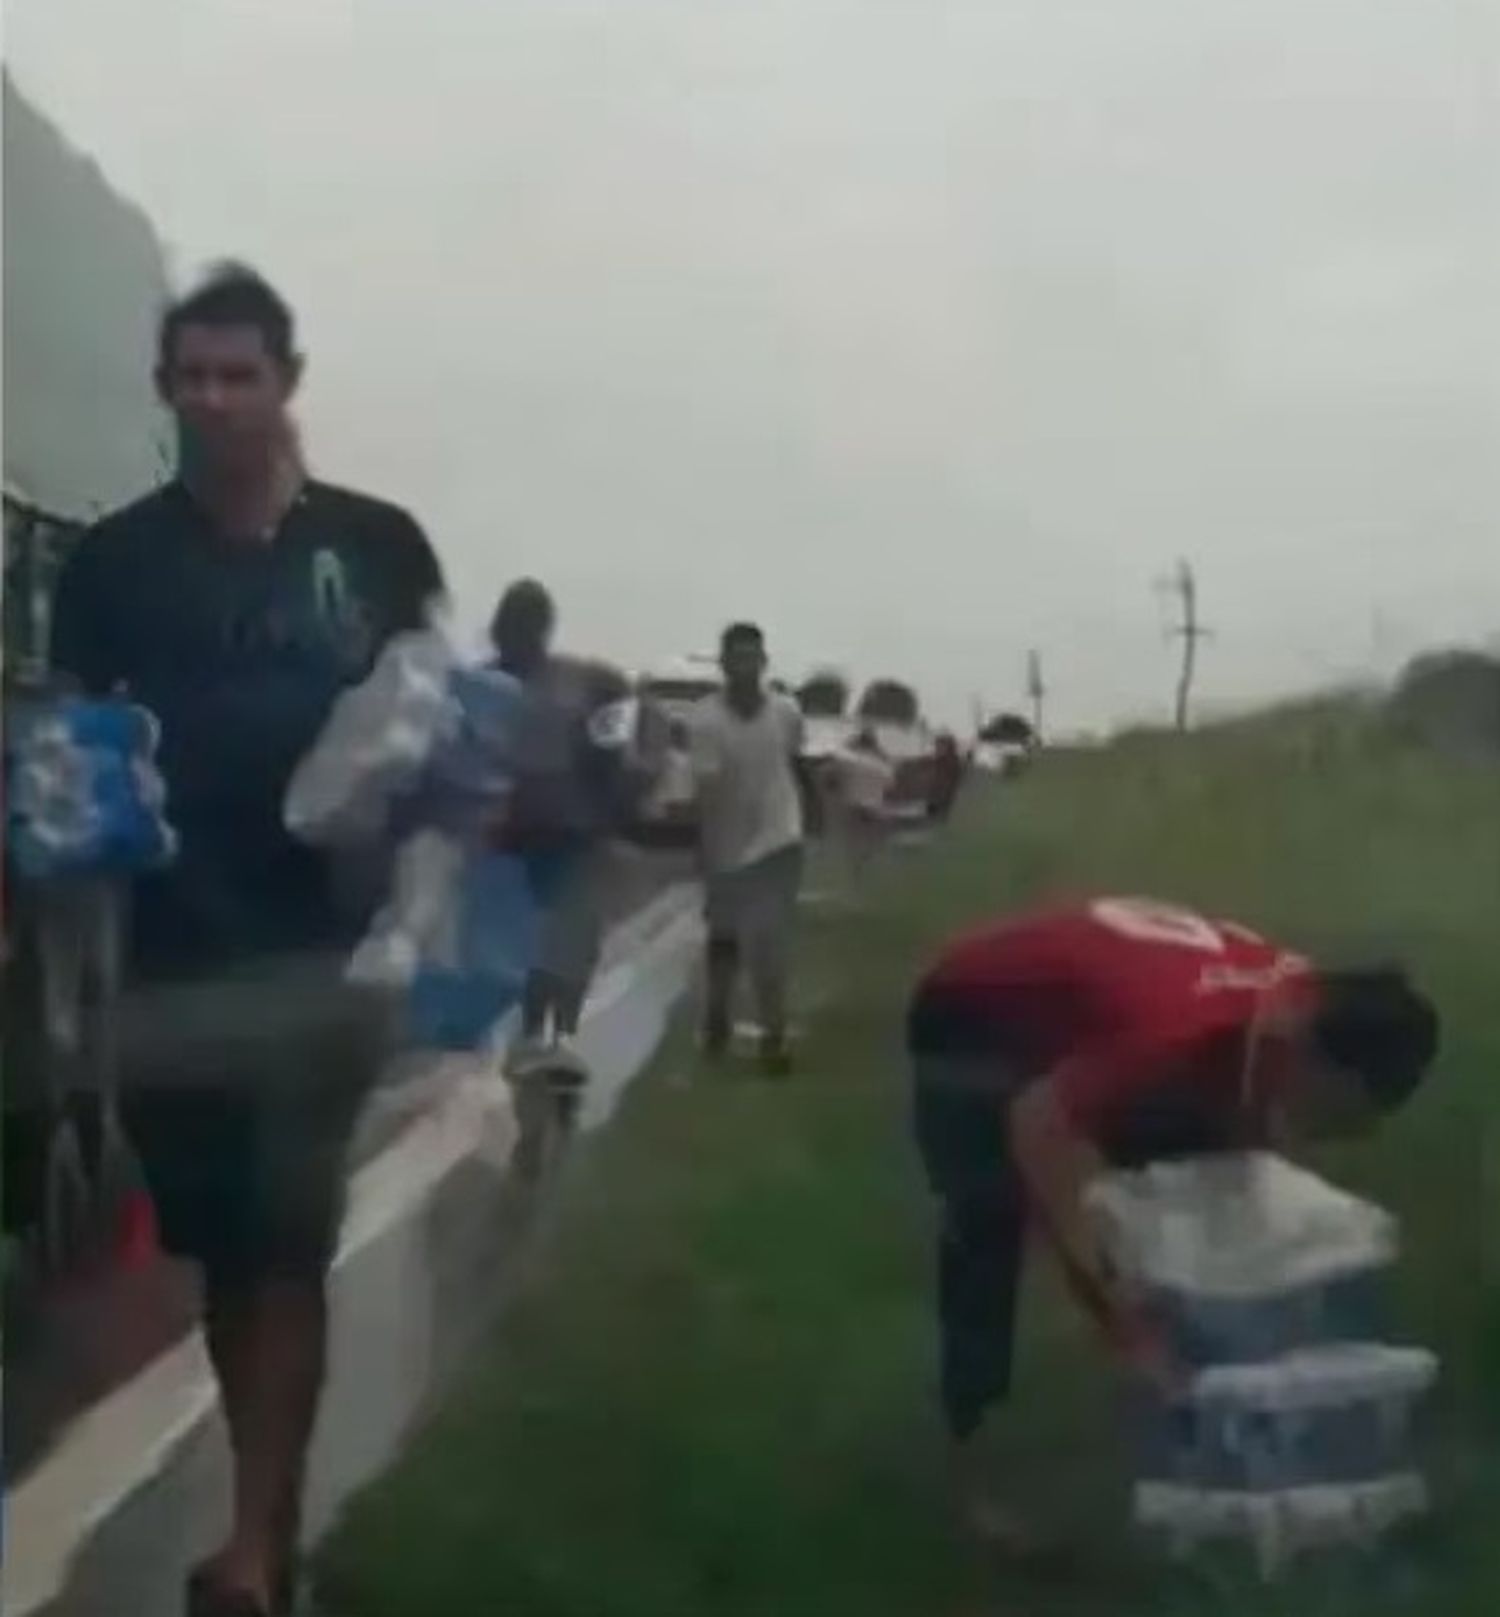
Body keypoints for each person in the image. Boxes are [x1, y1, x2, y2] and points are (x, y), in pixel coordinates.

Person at [50, 266, 444, 1617]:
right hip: (171, 958)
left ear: (287, 383)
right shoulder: (110, 566)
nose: (215, 401)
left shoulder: (379, 550)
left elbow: (441, 741)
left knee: (282, 1238)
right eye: (191, 377)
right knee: (224, 1248)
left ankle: (259, 1544)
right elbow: (59, 765)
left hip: (323, 960)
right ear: (165, 388)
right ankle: (262, 1507)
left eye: (240, 375)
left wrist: (417, 895)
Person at [906, 895, 1438, 1553]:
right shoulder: (1180, 1027)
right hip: (972, 1010)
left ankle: (1195, 1403)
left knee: (1195, 1165)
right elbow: (1038, 1129)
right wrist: (1117, 1314)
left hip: (1097, 1016)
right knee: (989, 1216)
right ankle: (975, 1472)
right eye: (1331, 1111)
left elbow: (1252, 1137)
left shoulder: (1289, 1008)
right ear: (1309, 1056)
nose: (1324, 1135)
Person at [487, 579, 639, 1077]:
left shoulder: (582, 683)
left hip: (573, 832)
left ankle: (562, 1032)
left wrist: (611, 810)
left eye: (529, 624)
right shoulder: (482, 685)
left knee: (575, 939)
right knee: (522, 943)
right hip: (508, 839)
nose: (519, 635)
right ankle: (532, 1033)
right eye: (512, 624)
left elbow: (611, 748)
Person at [689, 622, 811, 1076]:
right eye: (736, 658)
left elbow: (796, 765)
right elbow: (707, 792)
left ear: (763, 662)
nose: (745, 667)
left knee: (769, 941)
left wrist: (812, 817)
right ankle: (717, 1018)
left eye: (752, 657)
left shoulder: (785, 712)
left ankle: (773, 1035)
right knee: (725, 940)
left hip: (780, 839)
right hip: (726, 843)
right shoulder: (704, 720)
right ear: (723, 664)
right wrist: (703, 848)